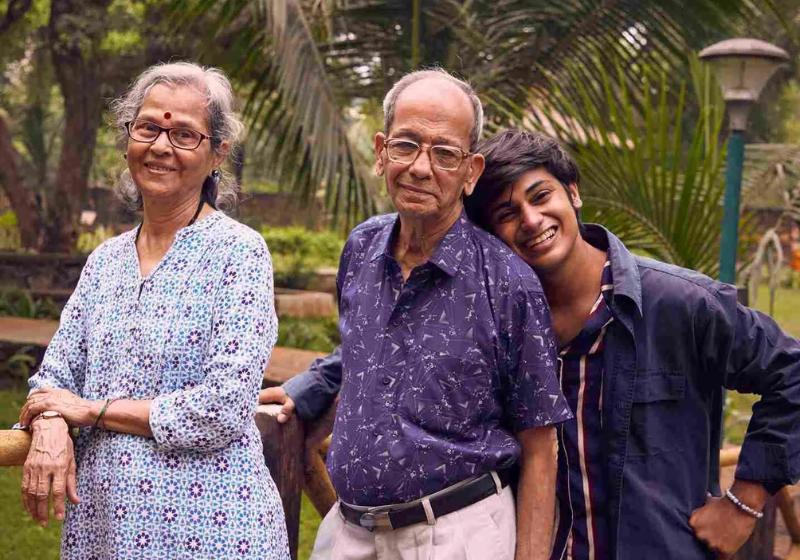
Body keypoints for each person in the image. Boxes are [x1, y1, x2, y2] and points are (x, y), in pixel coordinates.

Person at [264, 128, 800, 560]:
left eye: (541, 196)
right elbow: (385, 344)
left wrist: (746, 500)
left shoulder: (678, 304)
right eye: (505, 214)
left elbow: (791, 371)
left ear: (573, 193)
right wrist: (310, 388)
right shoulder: (493, 307)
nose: (531, 221)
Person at [268, 69, 572, 560]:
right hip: (348, 530)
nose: (420, 168)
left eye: (444, 154)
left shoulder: (510, 284)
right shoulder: (361, 248)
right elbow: (366, 350)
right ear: (381, 151)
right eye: (406, 145)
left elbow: (540, 446)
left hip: (456, 536)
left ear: (471, 172)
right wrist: (308, 390)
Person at [18, 62, 290, 559]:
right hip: (104, 532)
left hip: (212, 531)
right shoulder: (105, 262)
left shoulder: (239, 253)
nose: (161, 146)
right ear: (127, 140)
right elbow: (53, 378)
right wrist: (54, 420)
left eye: (185, 134)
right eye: (148, 128)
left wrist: (91, 410)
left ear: (217, 155)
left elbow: (223, 408)